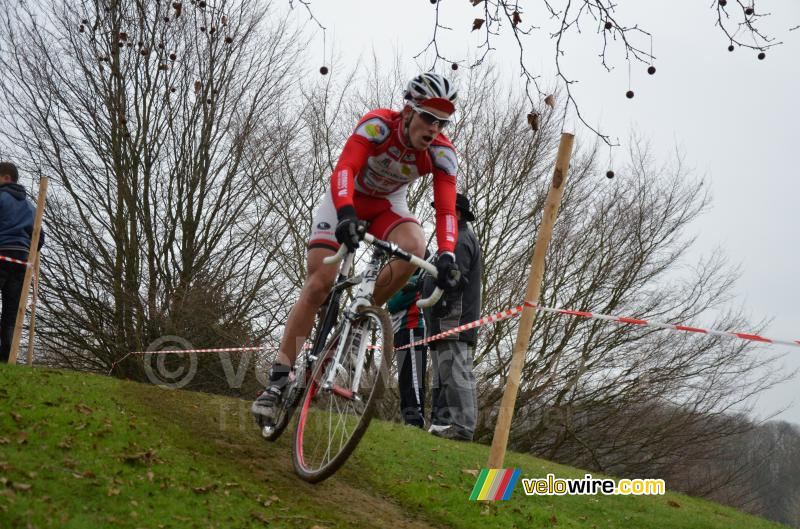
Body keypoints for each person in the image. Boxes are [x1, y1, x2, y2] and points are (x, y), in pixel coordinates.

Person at [252, 73, 463, 425]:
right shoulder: (378, 125)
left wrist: (448, 254)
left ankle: (359, 317)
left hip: (385, 207)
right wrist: (347, 214)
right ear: (408, 111)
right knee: (319, 284)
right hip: (344, 201)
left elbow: (445, 210)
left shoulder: (442, 153)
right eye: (428, 117)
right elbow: (346, 167)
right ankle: (277, 381)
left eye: (441, 122)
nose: (434, 128)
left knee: (416, 245)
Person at [423, 193, 482, 441]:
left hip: (453, 317)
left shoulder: (460, 239)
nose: (439, 216)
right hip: (441, 319)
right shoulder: (448, 240)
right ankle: (444, 423)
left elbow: (458, 278)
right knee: (445, 374)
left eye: (443, 210)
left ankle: (464, 427)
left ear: (456, 213)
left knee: (458, 373)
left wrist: (441, 298)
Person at [0, 162, 43, 364]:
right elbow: (39, 238)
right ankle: (7, 358)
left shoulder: (1, 197)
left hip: (1, 252)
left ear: (6, 178)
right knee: (10, 313)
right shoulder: (32, 207)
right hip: (21, 261)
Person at [386, 249, 431, 428]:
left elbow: (392, 303)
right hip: (401, 331)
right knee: (405, 377)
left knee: (413, 376)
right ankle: (409, 417)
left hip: (412, 328)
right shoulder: (404, 280)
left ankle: (416, 418)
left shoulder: (418, 281)